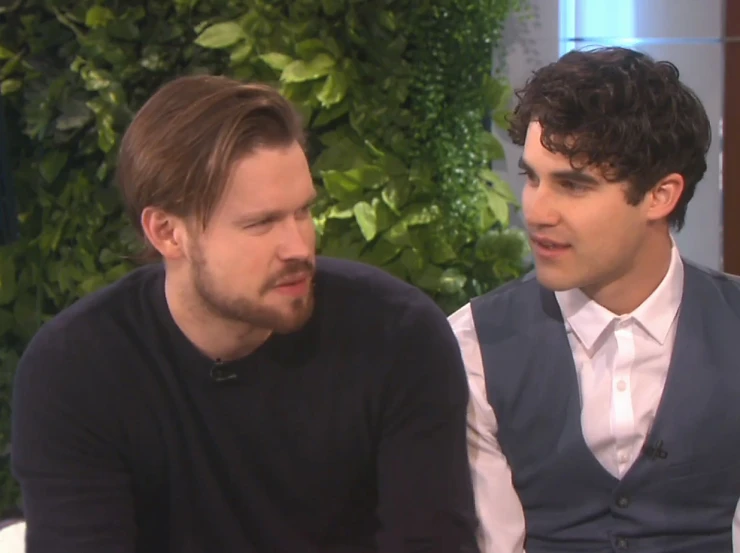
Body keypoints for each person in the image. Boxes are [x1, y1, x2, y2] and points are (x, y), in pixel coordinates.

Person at [11, 75, 480, 553]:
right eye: (261, 224)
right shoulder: (74, 371)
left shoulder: (397, 338)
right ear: (168, 232)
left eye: (302, 213)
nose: (299, 248)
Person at [450, 46, 740, 553]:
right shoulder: (474, 345)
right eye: (532, 177)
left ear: (660, 195)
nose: (537, 213)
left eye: (573, 185)